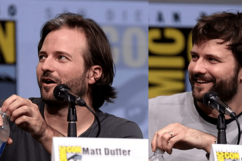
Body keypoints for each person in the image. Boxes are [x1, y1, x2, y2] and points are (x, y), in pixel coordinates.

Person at [149, 11, 242, 161]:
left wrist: (208, 143)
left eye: (212, 59)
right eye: (195, 57)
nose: (196, 68)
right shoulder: (153, 111)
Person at [0, 12, 143, 161]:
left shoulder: (120, 134)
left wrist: (44, 133)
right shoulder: (9, 116)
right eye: (42, 56)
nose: (46, 66)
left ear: (93, 74)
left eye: (61, 57)